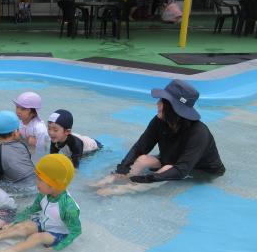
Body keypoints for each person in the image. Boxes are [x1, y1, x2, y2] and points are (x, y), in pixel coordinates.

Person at [94, 79, 226, 196]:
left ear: (173, 108)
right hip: (173, 160)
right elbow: (140, 147)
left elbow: (181, 170)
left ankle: (120, 190)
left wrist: (147, 179)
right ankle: (112, 179)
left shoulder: (199, 133)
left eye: (162, 101)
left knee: (166, 169)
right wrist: (122, 169)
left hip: (200, 172)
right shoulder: (160, 121)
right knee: (143, 160)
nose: (157, 103)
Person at [0, 154, 81, 252]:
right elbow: (31, 209)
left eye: (40, 180)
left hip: (59, 233)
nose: (36, 182)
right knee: (22, 226)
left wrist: (57, 248)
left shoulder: (68, 207)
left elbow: (76, 231)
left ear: (54, 184)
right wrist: (14, 222)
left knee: (37, 237)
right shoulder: (44, 194)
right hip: (45, 223)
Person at [0, 110, 36, 188]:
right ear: (15, 132)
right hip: (36, 181)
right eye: (18, 129)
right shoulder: (22, 145)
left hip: (20, 189)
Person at [14, 91, 49, 160]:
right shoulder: (19, 122)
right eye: (17, 107)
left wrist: (35, 144)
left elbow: (42, 151)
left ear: (34, 113)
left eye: (23, 109)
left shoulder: (39, 128)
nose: (18, 111)